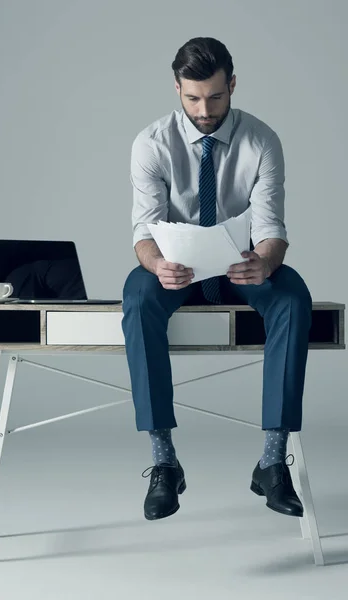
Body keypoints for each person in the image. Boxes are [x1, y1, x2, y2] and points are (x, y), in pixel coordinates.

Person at [121, 37, 312, 521]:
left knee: (292, 295)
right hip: (176, 271)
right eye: (192, 98)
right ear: (177, 89)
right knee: (137, 295)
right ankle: (164, 462)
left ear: (232, 85)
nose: (204, 110)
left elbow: (271, 227)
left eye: (215, 96)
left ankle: (271, 462)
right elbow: (144, 230)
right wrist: (156, 262)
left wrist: (265, 262)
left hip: (239, 267)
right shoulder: (151, 143)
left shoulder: (262, 140)